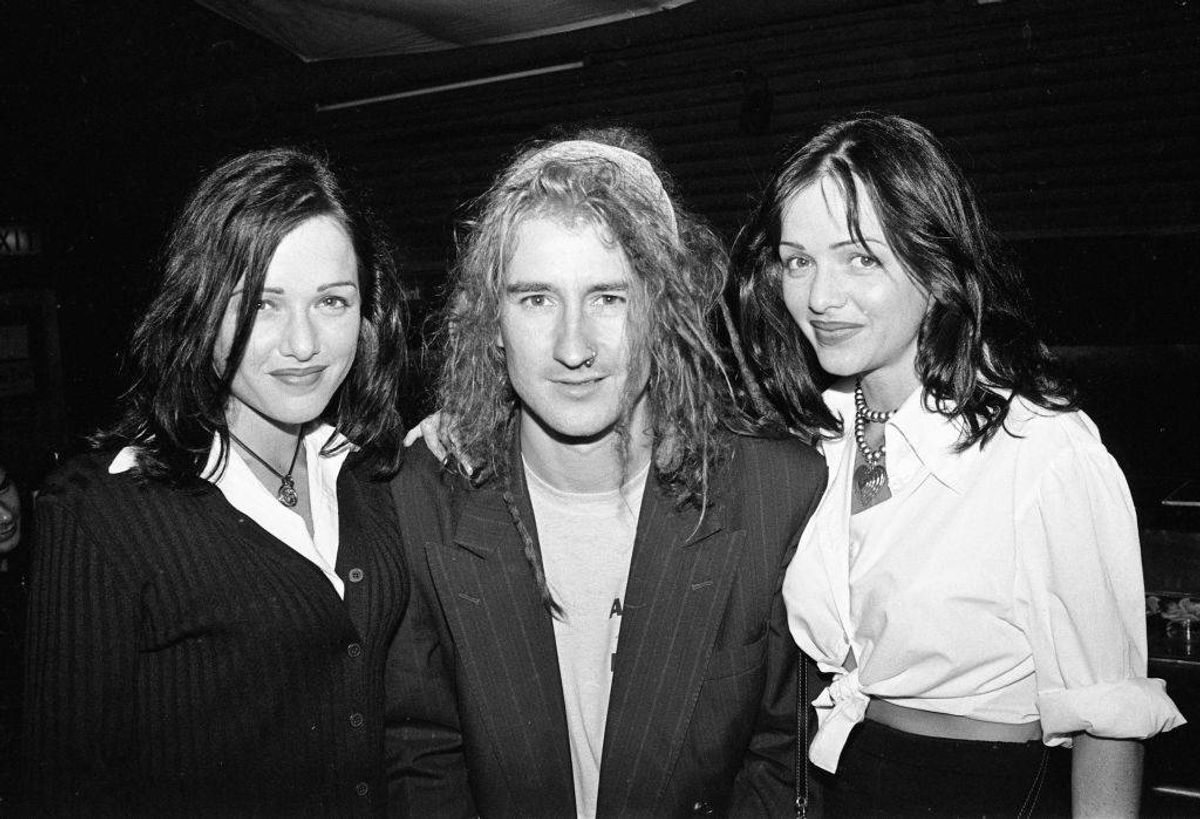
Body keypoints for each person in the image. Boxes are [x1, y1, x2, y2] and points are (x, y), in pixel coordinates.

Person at [730, 112, 1186, 816]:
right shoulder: (816, 442)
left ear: (933, 262)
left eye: (861, 257)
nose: (820, 297)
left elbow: (1109, 723)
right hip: (841, 792)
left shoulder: (1043, 453)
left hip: (982, 795)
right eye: (798, 260)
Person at [385, 128, 827, 818]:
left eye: (609, 298)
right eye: (536, 299)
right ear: (491, 324)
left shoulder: (779, 495)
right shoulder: (419, 501)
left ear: (666, 311)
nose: (573, 347)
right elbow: (420, 756)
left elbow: (784, 764)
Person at [22, 147, 409, 814]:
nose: (303, 343)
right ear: (202, 309)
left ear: (367, 312)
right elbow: (66, 788)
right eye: (262, 305)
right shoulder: (101, 511)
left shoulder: (370, 472)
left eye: (333, 301)